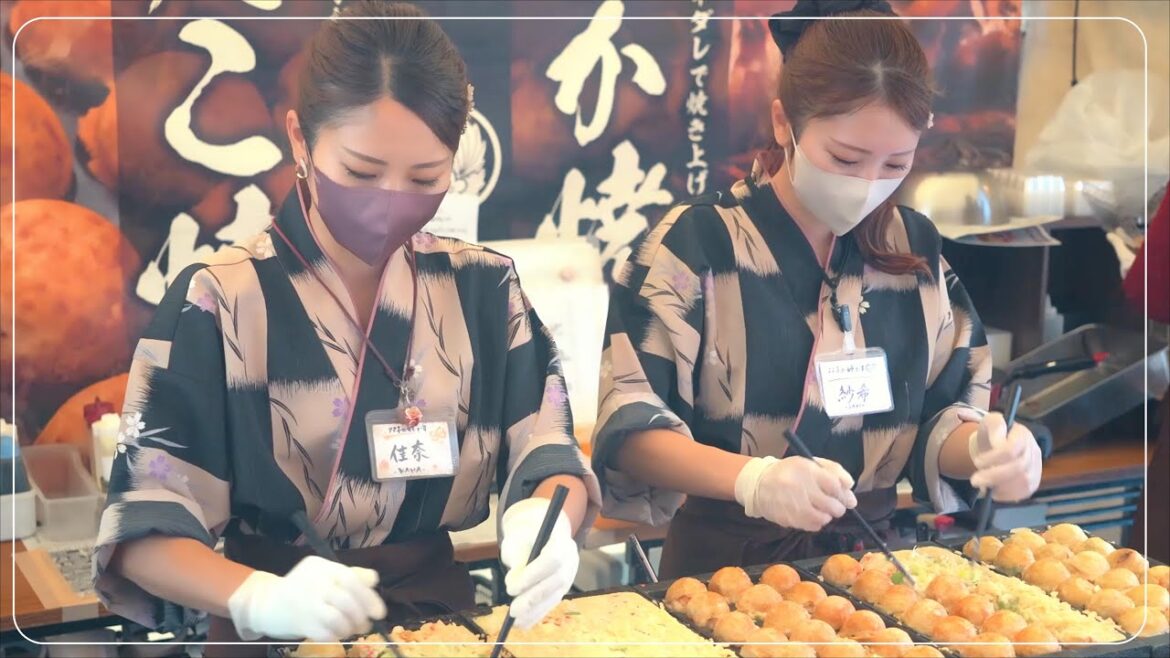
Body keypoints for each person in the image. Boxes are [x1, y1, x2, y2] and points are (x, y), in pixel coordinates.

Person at [93, 2, 600, 654]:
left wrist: (548, 522)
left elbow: (549, 450)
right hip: (277, 634)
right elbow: (144, 526)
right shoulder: (219, 299)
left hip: (438, 631)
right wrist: (259, 596)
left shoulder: (483, 287)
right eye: (361, 172)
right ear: (301, 140)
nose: (391, 198)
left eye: (425, 177)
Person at [590, 0, 1043, 578]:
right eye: (846, 158)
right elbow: (631, 427)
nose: (868, 185)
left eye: (894, 164)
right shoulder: (695, 246)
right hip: (726, 572)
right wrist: (753, 480)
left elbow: (942, 413)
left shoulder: (914, 250)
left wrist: (989, 452)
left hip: (874, 572)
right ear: (785, 124)